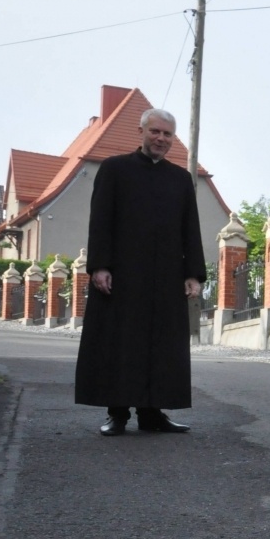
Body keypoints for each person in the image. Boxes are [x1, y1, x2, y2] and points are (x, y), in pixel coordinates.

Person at [74, 108, 206, 436]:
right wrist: (100, 266)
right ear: (141, 132)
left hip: (166, 277)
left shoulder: (180, 179)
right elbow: (100, 220)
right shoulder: (114, 169)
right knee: (120, 342)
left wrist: (193, 273)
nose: (161, 138)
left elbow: (191, 228)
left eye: (167, 134)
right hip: (124, 275)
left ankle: (152, 414)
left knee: (161, 344)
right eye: (155, 132)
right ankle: (116, 414)